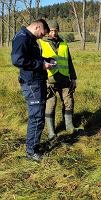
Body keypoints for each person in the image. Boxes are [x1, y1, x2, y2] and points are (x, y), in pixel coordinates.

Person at [11, 19, 51, 162]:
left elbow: (31, 57)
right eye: (41, 34)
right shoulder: (22, 37)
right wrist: (40, 65)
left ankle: (34, 146)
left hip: (36, 82)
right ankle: (31, 151)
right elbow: (17, 60)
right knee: (36, 116)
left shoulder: (30, 38)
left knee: (38, 115)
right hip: (31, 83)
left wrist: (46, 60)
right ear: (37, 26)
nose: (41, 37)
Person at [38, 20, 77, 139]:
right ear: (47, 31)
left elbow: (69, 62)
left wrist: (73, 78)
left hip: (65, 79)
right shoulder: (40, 43)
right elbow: (38, 62)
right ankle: (51, 132)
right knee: (51, 104)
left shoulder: (64, 44)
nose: (53, 33)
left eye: (55, 30)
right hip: (49, 79)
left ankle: (69, 127)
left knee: (69, 102)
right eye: (51, 30)